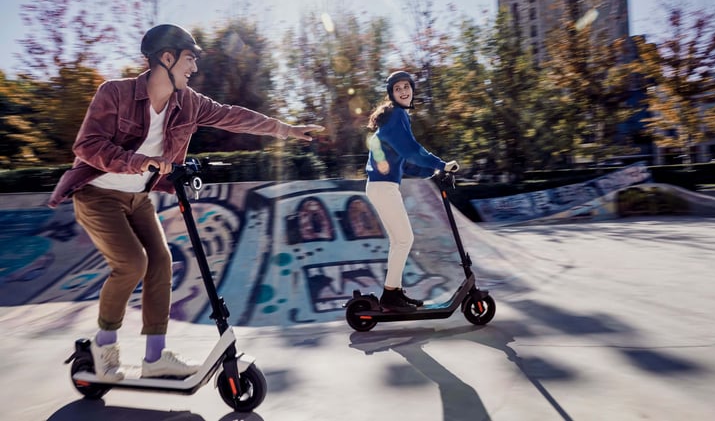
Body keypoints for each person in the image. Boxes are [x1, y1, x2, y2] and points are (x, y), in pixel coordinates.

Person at [48, 24, 323, 381]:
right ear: (166, 57)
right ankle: (103, 347)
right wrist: (137, 162)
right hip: (97, 195)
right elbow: (87, 146)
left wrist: (286, 130)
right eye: (189, 59)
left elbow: (233, 115)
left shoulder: (187, 102)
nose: (193, 68)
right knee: (132, 263)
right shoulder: (114, 93)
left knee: (161, 263)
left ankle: (154, 357)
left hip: (139, 198)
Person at [365, 70, 459, 313]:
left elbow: (404, 163)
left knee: (400, 240)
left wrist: (431, 175)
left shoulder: (397, 117)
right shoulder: (397, 115)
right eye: (398, 88)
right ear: (392, 94)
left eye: (407, 86)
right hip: (383, 187)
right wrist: (441, 164)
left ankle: (393, 293)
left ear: (413, 90)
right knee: (404, 239)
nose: (404, 91)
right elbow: (412, 151)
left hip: (383, 186)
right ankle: (389, 295)